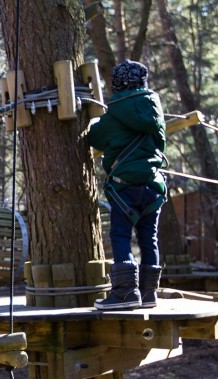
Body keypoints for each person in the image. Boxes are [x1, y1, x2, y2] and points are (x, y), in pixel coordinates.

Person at [88, 59, 167, 311]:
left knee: (121, 235)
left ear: (117, 85)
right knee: (149, 238)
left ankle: (124, 293)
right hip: (153, 186)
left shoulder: (114, 115)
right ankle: (149, 294)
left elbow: (94, 138)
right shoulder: (154, 110)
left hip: (125, 187)